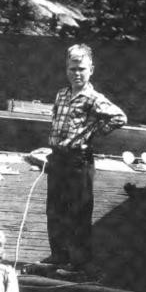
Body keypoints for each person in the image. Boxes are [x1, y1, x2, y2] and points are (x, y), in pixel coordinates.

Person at [42, 44, 127, 276]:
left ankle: (78, 261)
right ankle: (58, 254)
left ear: (91, 70)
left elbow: (119, 117)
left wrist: (94, 131)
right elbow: (56, 122)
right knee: (55, 210)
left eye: (81, 69)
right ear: (66, 69)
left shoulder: (93, 98)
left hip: (79, 160)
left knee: (78, 212)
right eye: (72, 69)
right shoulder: (61, 94)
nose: (76, 74)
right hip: (58, 158)